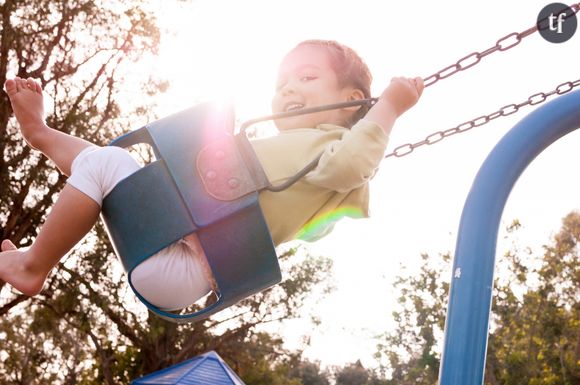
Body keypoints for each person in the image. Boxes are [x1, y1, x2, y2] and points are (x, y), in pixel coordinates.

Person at [0, 39, 423, 311]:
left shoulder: (335, 152)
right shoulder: (303, 159)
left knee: (107, 164)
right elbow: (313, 226)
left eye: (308, 77)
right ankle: (40, 134)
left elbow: (353, 162)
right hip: (179, 240)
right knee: (111, 166)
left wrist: (389, 106)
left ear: (353, 103)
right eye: (282, 83)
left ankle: (33, 266)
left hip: (189, 266)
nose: (289, 89)